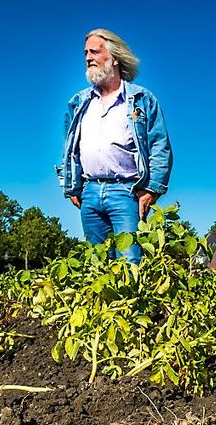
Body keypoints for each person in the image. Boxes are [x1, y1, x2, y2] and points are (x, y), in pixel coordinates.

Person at [57, 29, 173, 263]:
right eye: (86, 52)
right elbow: (69, 148)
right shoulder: (78, 102)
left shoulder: (142, 99)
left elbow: (160, 144)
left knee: (129, 261)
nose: (88, 57)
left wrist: (152, 190)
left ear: (115, 58)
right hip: (89, 191)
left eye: (95, 52)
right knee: (95, 263)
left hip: (127, 190)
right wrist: (71, 187)